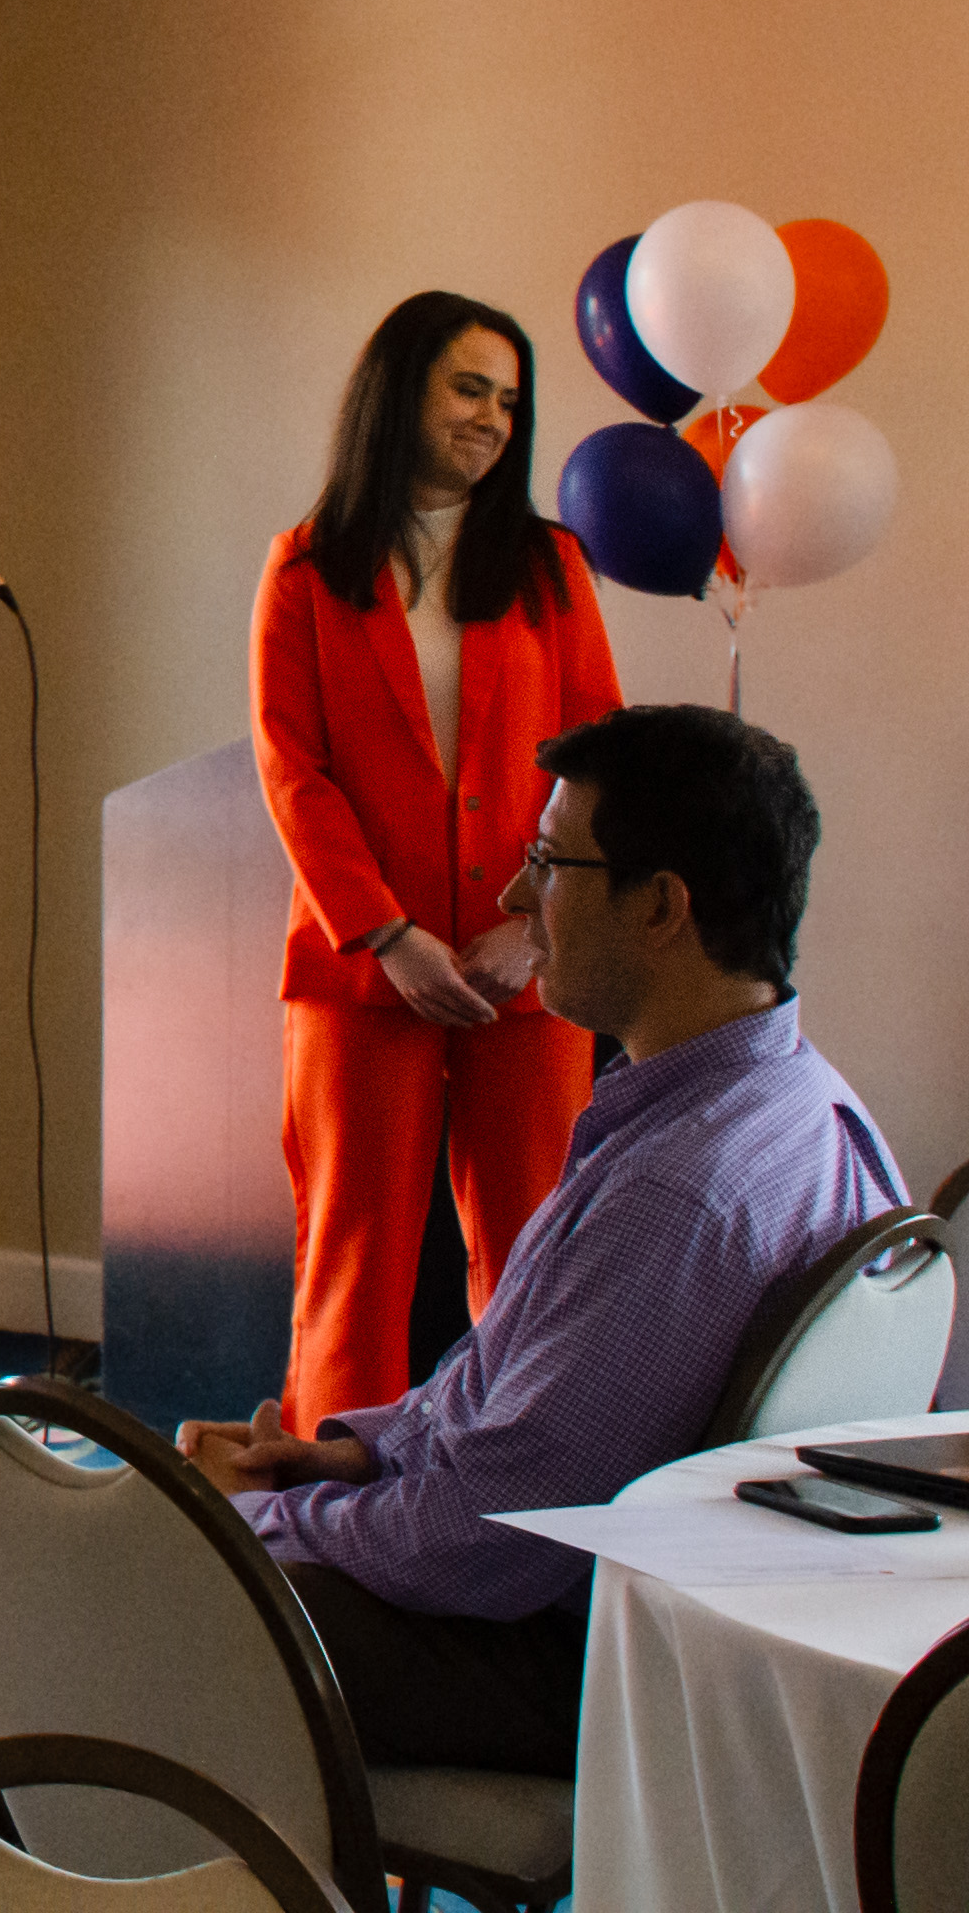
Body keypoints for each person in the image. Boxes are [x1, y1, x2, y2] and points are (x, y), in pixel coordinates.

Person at [184, 705, 903, 1778]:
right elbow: (503, 1391)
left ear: (661, 905)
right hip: (586, 1611)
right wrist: (359, 1451)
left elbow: (496, 1532)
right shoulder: (794, 1100)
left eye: (549, 861)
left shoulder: (677, 1190)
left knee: (65, 1572)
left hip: (561, 1656)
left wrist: (275, 1518)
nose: (517, 898)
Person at [251, 292, 620, 1426]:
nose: (494, 418)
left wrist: (541, 926)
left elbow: (597, 753)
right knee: (351, 1262)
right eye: (470, 387)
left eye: (510, 400)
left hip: (525, 971)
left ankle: (514, 1503)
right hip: (363, 972)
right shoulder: (308, 568)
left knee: (532, 1259)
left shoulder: (551, 566)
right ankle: (325, 1517)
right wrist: (387, 932)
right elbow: (293, 768)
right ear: (400, 389)